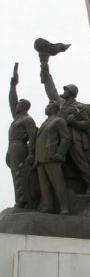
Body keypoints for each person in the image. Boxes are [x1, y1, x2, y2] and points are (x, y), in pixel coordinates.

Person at [40, 62, 90, 194]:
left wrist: (74, 122)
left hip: (73, 137)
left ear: (71, 93)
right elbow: (51, 90)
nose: (63, 92)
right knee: (58, 162)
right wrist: (46, 71)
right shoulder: (60, 104)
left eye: (65, 90)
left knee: (80, 161)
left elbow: (87, 124)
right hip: (58, 136)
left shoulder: (80, 107)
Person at [7, 64, 37, 208]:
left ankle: (25, 201)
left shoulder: (27, 119)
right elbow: (12, 101)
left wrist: (31, 153)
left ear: (24, 107)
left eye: (20, 104)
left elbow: (33, 136)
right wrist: (13, 86)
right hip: (12, 147)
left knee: (20, 174)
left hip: (20, 147)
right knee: (15, 175)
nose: (17, 105)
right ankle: (19, 200)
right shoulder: (17, 118)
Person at [35, 101, 71, 214]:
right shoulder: (45, 122)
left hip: (51, 156)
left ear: (54, 109)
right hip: (40, 158)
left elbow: (66, 138)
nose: (46, 108)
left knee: (58, 183)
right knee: (44, 185)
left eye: (48, 106)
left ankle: (64, 207)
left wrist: (60, 153)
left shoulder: (58, 121)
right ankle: (48, 206)